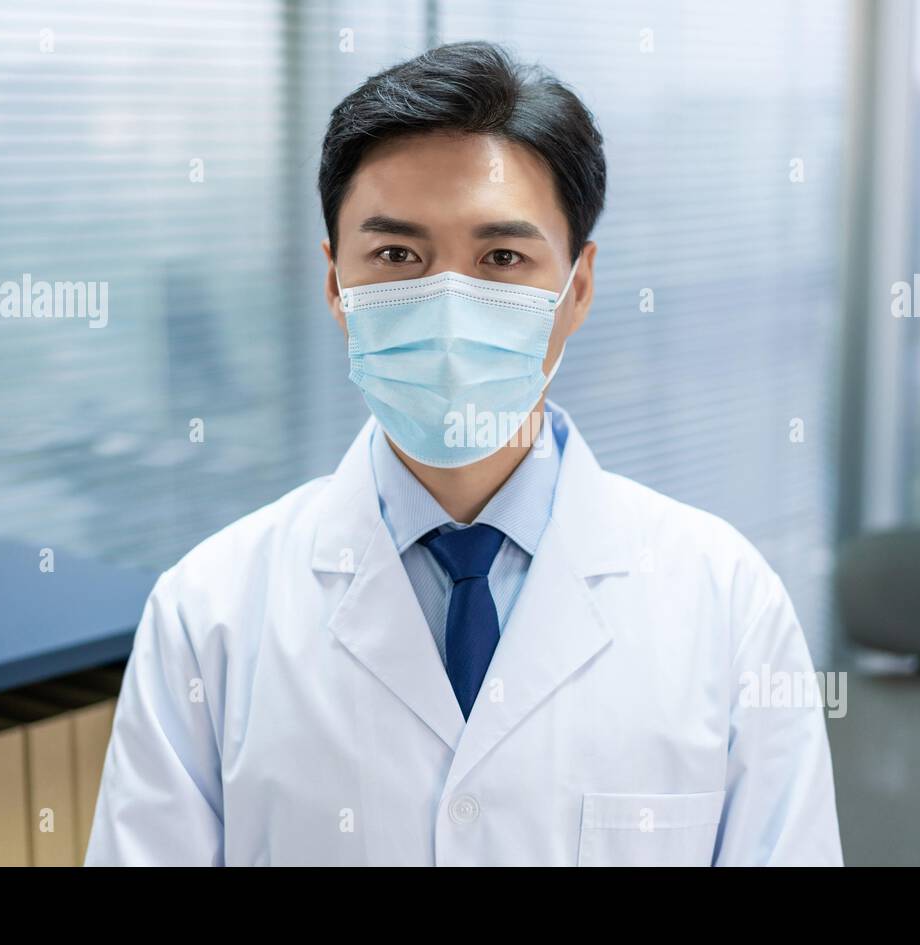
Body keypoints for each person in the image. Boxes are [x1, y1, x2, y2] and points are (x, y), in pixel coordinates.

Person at [86, 40, 843, 866]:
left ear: (577, 288)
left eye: (502, 258)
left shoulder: (726, 603)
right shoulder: (210, 613)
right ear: (336, 282)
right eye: (399, 256)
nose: (449, 304)